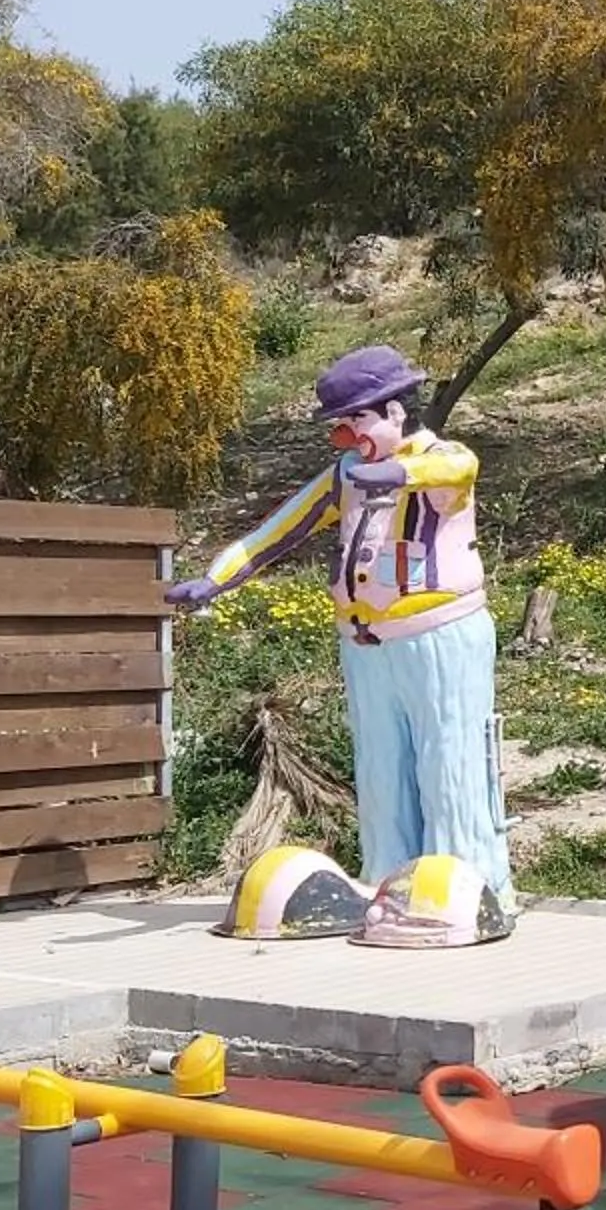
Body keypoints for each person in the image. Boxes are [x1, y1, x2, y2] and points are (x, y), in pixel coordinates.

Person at [166, 344, 512, 902]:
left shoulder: (441, 460)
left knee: (451, 767)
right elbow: (278, 531)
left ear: (396, 412)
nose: (348, 438)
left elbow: (456, 468)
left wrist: (395, 472)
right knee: (380, 775)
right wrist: (216, 578)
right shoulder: (345, 474)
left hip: (440, 638)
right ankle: (388, 888)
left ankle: (469, 894)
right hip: (366, 646)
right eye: (342, 427)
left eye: (357, 421)